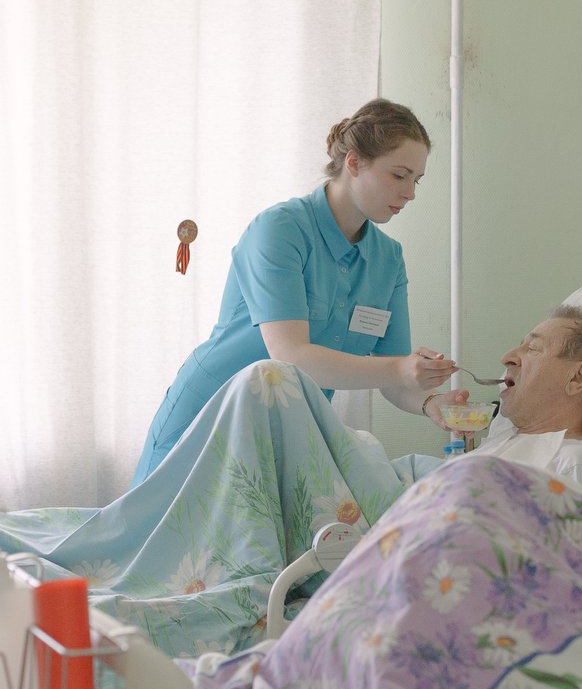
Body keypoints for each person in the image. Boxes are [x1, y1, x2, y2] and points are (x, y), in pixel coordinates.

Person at [131, 99, 463, 484]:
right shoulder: (280, 230)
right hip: (206, 419)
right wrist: (401, 369)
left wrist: (429, 401)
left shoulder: (388, 260)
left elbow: (392, 375)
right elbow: (290, 356)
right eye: (399, 175)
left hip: (284, 435)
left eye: (416, 180)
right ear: (354, 163)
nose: (410, 193)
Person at [434, 302, 582, 497]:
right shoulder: (500, 442)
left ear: (577, 378)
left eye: (532, 348)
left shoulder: (575, 463)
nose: (506, 358)